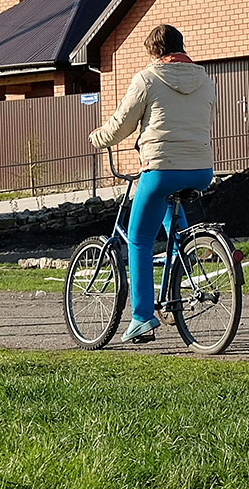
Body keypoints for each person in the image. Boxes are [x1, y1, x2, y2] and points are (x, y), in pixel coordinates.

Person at [88, 25, 216, 343]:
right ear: (180, 46)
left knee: (139, 240)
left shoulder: (147, 78)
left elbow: (122, 123)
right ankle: (179, 274)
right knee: (173, 223)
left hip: (161, 169)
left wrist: (97, 138)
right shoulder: (205, 79)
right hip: (201, 169)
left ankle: (142, 318)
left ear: (154, 53)